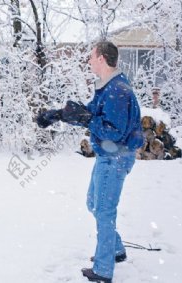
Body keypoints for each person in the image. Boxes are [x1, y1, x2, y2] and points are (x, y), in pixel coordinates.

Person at [36, 41, 144, 282]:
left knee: (104, 210)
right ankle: (115, 249)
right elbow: (90, 114)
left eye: (91, 56)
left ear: (103, 59)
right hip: (109, 155)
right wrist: (56, 115)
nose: (89, 61)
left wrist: (87, 120)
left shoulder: (118, 91)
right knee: (93, 203)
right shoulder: (108, 87)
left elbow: (113, 131)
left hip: (115, 156)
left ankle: (104, 270)